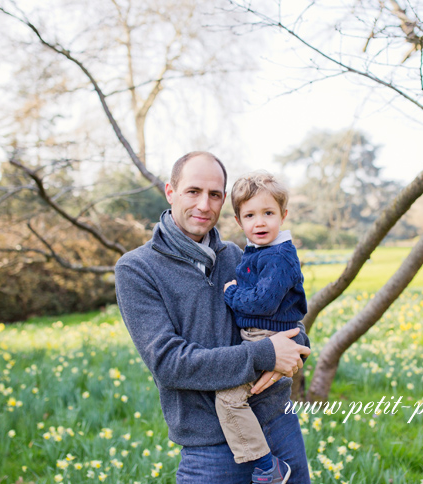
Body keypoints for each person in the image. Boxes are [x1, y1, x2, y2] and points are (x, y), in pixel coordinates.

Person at [115, 152, 312, 484]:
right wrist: (266, 354)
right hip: (210, 448)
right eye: (193, 191)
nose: (204, 205)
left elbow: (287, 318)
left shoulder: (237, 256)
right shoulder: (137, 269)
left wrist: (296, 348)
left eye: (215, 194)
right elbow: (170, 363)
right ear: (170, 191)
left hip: (279, 426)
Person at [216, 171, 307, 484]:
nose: (260, 222)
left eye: (268, 213)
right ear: (239, 221)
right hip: (258, 339)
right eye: (250, 215)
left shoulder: (280, 256)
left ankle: (268, 466)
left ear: (283, 215)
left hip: (267, 339)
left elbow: (263, 303)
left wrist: (231, 293)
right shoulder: (257, 251)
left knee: (228, 399)